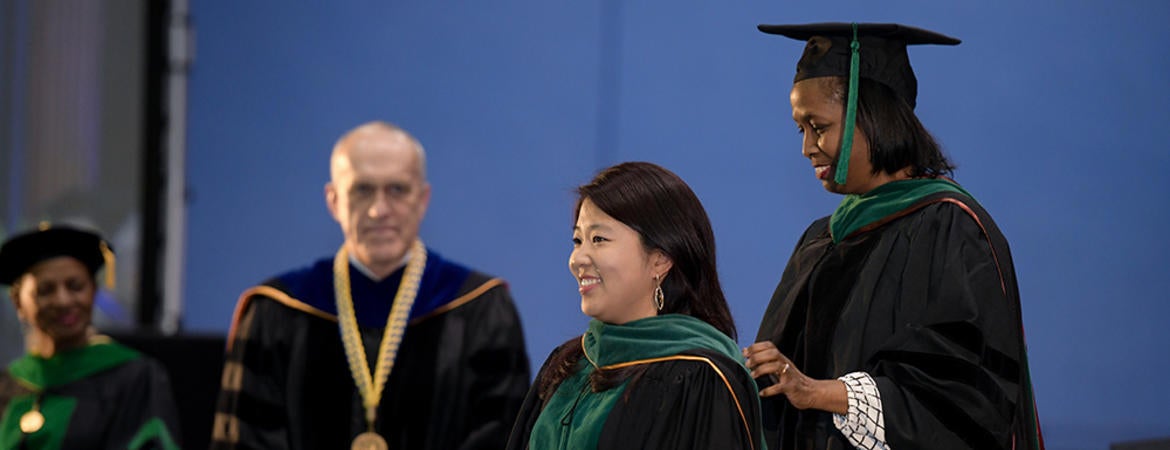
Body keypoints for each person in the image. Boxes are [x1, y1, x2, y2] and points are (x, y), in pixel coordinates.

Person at [743, 23, 1044, 450]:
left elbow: (963, 400)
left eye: (819, 126)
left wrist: (818, 392)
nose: (807, 147)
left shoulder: (950, 231)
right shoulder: (820, 242)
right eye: (800, 129)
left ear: (872, 116)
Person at [210, 121, 530, 450]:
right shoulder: (277, 311)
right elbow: (244, 441)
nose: (379, 210)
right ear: (333, 200)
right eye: (362, 190)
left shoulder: (480, 309)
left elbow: (500, 437)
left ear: (422, 199)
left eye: (397, 190)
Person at [506, 162, 766, 450]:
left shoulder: (700, 380)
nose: (577, 259)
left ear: (660, 259)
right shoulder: (570, 364)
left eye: (599, 239)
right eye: (578, 240)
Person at [0, 225, 180, 449]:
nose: (63, 301)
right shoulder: (9, 384)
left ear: (93, 290)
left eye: (76, 287)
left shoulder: (135, 378)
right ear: (18, 302)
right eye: (45, 290)